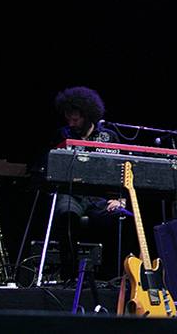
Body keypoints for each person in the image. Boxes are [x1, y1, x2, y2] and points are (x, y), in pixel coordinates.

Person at [52, 86, 126, 282]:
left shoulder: (109, 137)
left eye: (76, 119)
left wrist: (121, 199)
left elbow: (122, 171)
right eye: (69, 119)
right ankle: (69, 276)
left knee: (119, 216)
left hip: (100, 198)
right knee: (65, 213)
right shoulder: (63, 135)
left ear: (88, 115)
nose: (71, 123)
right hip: (72, 194)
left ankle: (111, 278)